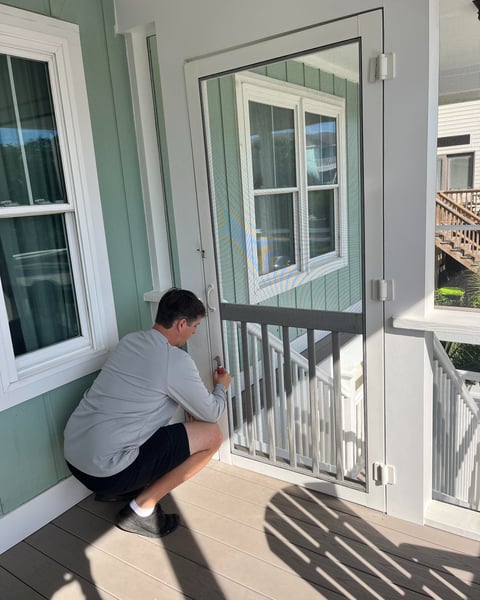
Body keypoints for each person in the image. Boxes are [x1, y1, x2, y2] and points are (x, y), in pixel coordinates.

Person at [64, 288, 231, 538]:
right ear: (182, 323)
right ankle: (141, 510)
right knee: (213, 436)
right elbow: (211, 413)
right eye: (195, 326)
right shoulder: (174, 360)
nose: (195, 332)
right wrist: (221, 387)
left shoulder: (130, 341)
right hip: (107, 471)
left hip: (74, 457)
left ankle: (121, 490)